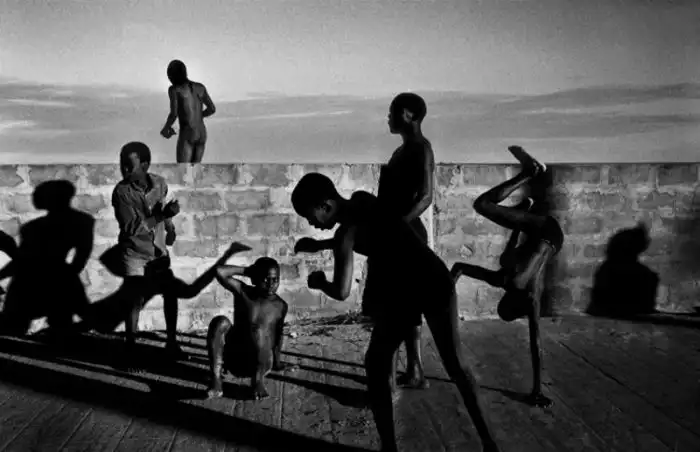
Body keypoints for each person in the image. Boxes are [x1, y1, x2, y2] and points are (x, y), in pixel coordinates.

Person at [292, 172, 501, 452]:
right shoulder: (362, 200)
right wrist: (321, 245)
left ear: (326, 205)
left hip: (407, 290)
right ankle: (490, 444)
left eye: (311, 217)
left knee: (377, 367)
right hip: (432, 276)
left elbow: (341, 291)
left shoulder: (345, 235)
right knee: (456, 365)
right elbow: (371, 230)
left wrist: (319, 282)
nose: (312, 224)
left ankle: (389, 448)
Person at [451, 145, 563, 408]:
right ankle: (529, 173)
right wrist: (447, 286)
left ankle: (524, 199)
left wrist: (537, 390)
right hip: (542, 232)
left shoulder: (531, 297)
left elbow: (536, 345)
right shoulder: (506, 281)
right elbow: (460, 267)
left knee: (506, 257)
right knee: (482, 205)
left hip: (552, 239)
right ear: (507, 300)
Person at [107, 141, 186, 369]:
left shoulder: (159, 184)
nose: (124, 170)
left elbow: (162, 208)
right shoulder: (121, 192)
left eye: (129, 166)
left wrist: (170, 228)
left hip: (158, 251)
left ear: (145, 165)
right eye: (122, 165)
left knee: (170, 293)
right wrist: (163, 216)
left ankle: (171, 343)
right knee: (134, 299)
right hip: (134, 252)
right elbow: (132, 228)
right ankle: (130, 349)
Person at [206, 250, 298, 400]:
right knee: (220, 322)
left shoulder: (280, 305)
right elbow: (219, 271)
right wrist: (248, 271)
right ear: (254, 279)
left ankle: (258, 382)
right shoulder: (244, 292)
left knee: (261, 333)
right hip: (235, 358)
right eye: (265, 279)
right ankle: (216, 380)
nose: (271, 284)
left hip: (260, 363)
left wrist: (277, 363)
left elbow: (278, 335)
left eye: (275, 280)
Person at [160, 59, 216, 163]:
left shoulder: (174, 89)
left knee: (183, 170)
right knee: (194, 170)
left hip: (188, 132)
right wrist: (198, 116)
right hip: (201, 133)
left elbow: (174, 114)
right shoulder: (200, 87)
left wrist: (166, 128)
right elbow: (212, 109)